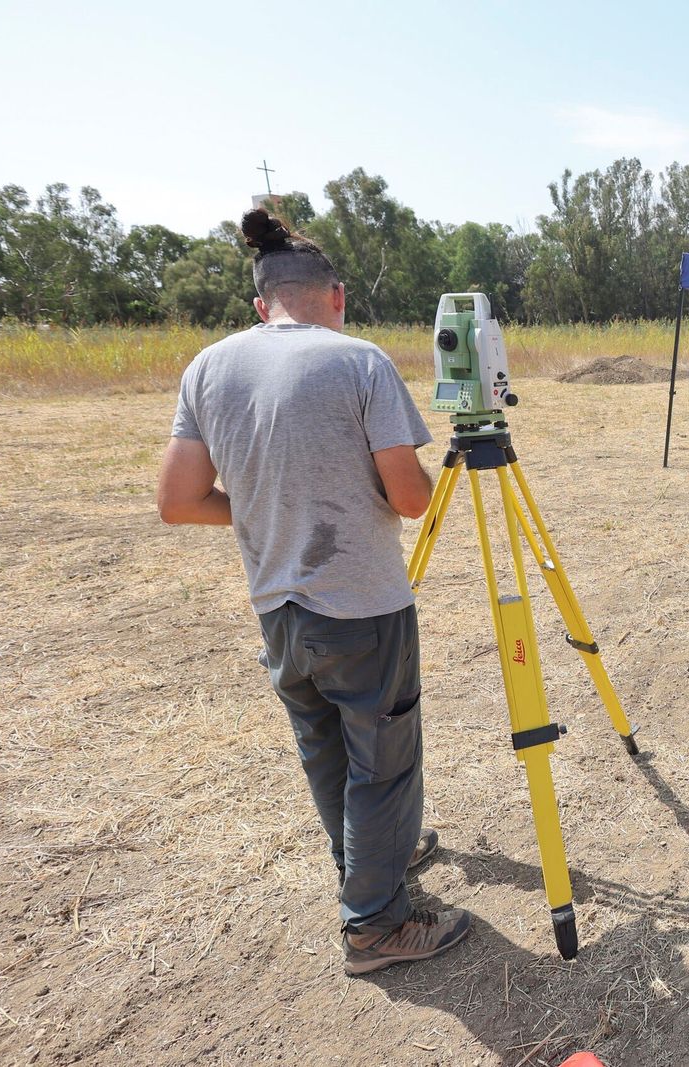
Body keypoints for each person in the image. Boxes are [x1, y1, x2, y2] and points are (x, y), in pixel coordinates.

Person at [156, 208, 470, 976]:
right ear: (335, 294)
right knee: (384, 763)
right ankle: (375, 924)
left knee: (328, 755)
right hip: (360, 606)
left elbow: (177, 499)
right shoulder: (358, 361)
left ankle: (370, 868)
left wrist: (267, 508)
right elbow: (410, 498)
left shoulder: (207, 367)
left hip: (278, 611)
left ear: (261, 303)